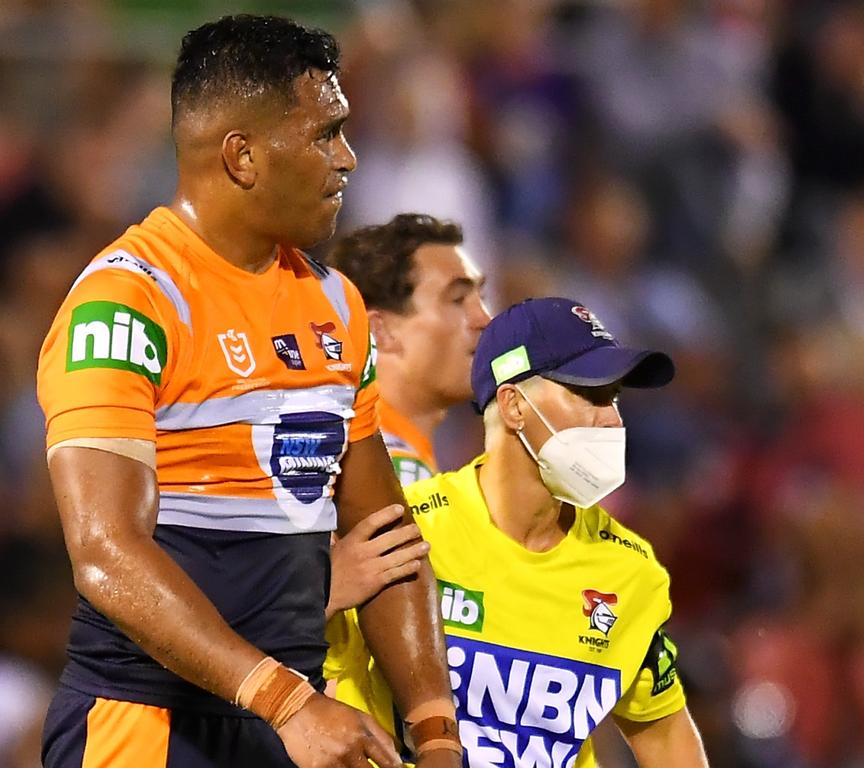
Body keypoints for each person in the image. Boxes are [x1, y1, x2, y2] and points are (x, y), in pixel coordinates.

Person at [35, 15, 460, 768]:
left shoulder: (336, 305)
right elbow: (105, 552)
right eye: (326, 133)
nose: (348, 158)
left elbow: (391, 543)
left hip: (283, 722)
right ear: (242, 156)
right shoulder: (130, 300)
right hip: (147, 723)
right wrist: (286, 701)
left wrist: (436, 737)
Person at [326, 297, 711, 767]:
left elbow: (668, 739)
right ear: (513, 405)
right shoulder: (412, 527)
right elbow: (318, 675)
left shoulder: (630, 573)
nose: (612, 419)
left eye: (614, 398)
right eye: (589, 394)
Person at [322, 213, 490, 619]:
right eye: (457, 299)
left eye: (481, 297)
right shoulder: (349, 468)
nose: (484, 318)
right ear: (380, 330)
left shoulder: (402, 463)